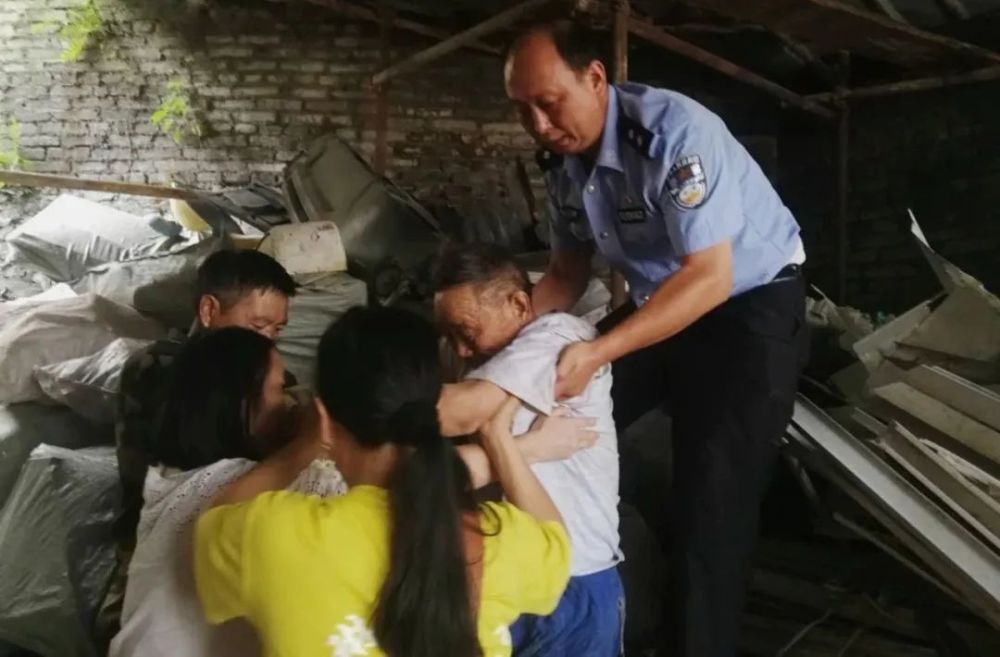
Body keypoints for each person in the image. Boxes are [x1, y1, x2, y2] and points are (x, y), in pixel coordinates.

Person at [505, 20, 810, 657]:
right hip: (665, 302)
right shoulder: (564, 164)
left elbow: (710, 276)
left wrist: (597, 350)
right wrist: (504, 350)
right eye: (523, 109)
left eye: (549, 103)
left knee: (711, 506)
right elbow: (565, 273)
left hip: (747, 309)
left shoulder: (675, 135)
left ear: (595, 78)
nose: (538, 125)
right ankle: (568, 613)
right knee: (547, 415)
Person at [195, 306, 572, 657]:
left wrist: (305, 446)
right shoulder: (498, 539)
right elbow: (556, 542)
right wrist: (501, 440)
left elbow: (216, 520)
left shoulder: (273, 534)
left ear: (324, 419)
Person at [97, 248, 298, 648]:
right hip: (158, 540)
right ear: (209, 311)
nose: (268, 340)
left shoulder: (255, 373)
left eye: (277, 330)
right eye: (258, 325)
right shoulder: (160, 370)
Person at [109, 327, 347, 657]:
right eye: (280, 390)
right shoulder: (230, 486)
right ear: (241, 402)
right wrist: (316, 441)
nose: (290, 404)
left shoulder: (170, 478)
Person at [434, 242, 623, 657]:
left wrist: (359, 405)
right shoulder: (481, 361)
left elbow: (461, 414)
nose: (461, 349)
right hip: (506, 573)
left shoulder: (555, 337)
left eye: (467, 331)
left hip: (573, 580)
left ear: (519, 304)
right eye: (449, 335)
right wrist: (528, 446)